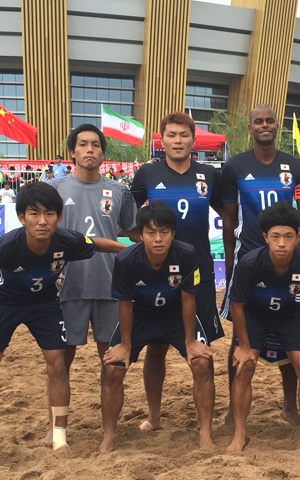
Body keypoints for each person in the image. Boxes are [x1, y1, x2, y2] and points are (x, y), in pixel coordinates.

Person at [0, 182, 126, 464]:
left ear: (58, 218)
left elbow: (97, 243)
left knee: (58, 364)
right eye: (34, 214)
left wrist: (129, 251)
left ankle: (58, 436)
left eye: (49, 214)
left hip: (46, 305)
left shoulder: (66, 240)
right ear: (21, 217)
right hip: (5, 304)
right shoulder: (4, 248)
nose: (42, 221)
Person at [130, 112, 225, 432]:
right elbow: (133, 225)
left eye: (184, 135)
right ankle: (154, 417)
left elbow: (228, 214)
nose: (178, 141)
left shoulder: (209, 175)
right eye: (171, 135)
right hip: (157, 275)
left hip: (198, 273)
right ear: (162, 139)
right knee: (156, 348)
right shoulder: (146, 174)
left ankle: (205, 426)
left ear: (193, 139)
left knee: (202, 351)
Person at [221, 104, 300, 427]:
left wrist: (291, 249)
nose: (264, 125)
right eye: (258, 121)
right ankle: (234, 411)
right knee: (240, 341)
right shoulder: (234, 167)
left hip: (287, 264)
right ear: (250, 128)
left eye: (269, 121)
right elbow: (229, 220)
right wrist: (232, 265)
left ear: (277, 127)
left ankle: (291, 407)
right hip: (249, 261)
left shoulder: (296, 167)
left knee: (291, 337)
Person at [47, 124, 140, 443]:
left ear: (103, 153)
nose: (90, 149)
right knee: (60, 362)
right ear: (72, 151)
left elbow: (134, 233)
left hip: (110, 289)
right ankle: (55, 430)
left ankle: (109, 432)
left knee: (112, 363)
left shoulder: (119, 191)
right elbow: (41, 233)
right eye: (83, 144)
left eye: (96, 145)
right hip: (66, 290)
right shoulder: (55, 189)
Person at [101, 202, 214, 451]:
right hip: (140, 315)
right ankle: (110, 435)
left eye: (164, 232)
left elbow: (188, 298)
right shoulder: (126, 259)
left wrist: (190, 341)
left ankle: (205, 433)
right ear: (140, 235)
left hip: (175, 314)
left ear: (173, 233)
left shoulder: (186, 253)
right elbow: (125, 303)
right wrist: (125, 345)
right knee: (113, 369)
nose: (158, 239)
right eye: (151, 232)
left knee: (202, 364)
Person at [226, 202, 300, 452]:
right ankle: (239, 434)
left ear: (298, 237)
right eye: (276, 236)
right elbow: (236, 305)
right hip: (254, 316)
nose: (282, 243)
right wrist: (244, 346)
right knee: (244, 367)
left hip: (289, 316)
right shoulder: (249, 262)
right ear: (265, 237)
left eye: (289, 236)